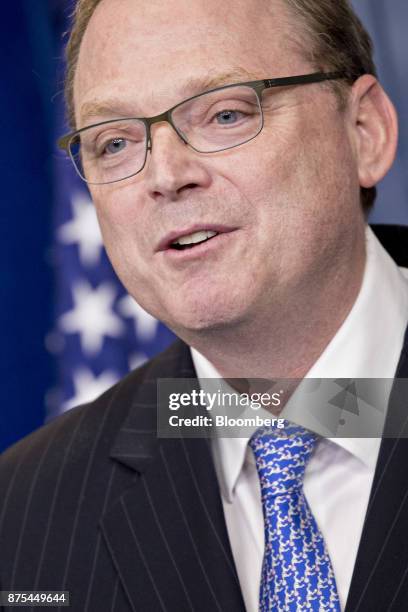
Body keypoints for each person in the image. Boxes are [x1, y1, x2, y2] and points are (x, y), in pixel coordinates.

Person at [1, 0, 408, 610]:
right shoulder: (23, 509)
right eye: (113, 143)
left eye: (225, 113)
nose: (165, 174)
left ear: (363, 133)